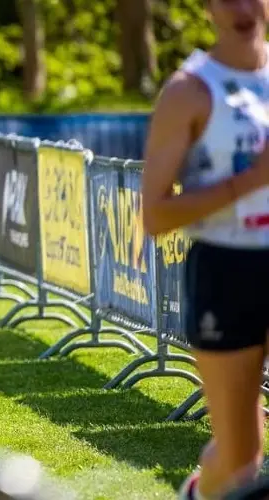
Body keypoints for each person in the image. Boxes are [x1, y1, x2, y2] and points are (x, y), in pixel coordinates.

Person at [141, 1, 269, 498]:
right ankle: (200, 493)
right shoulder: (189, 91)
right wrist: (249, 182)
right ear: (208, 8)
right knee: (241, 458)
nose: (241, 8)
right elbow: (154, 215)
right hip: (225, 269)